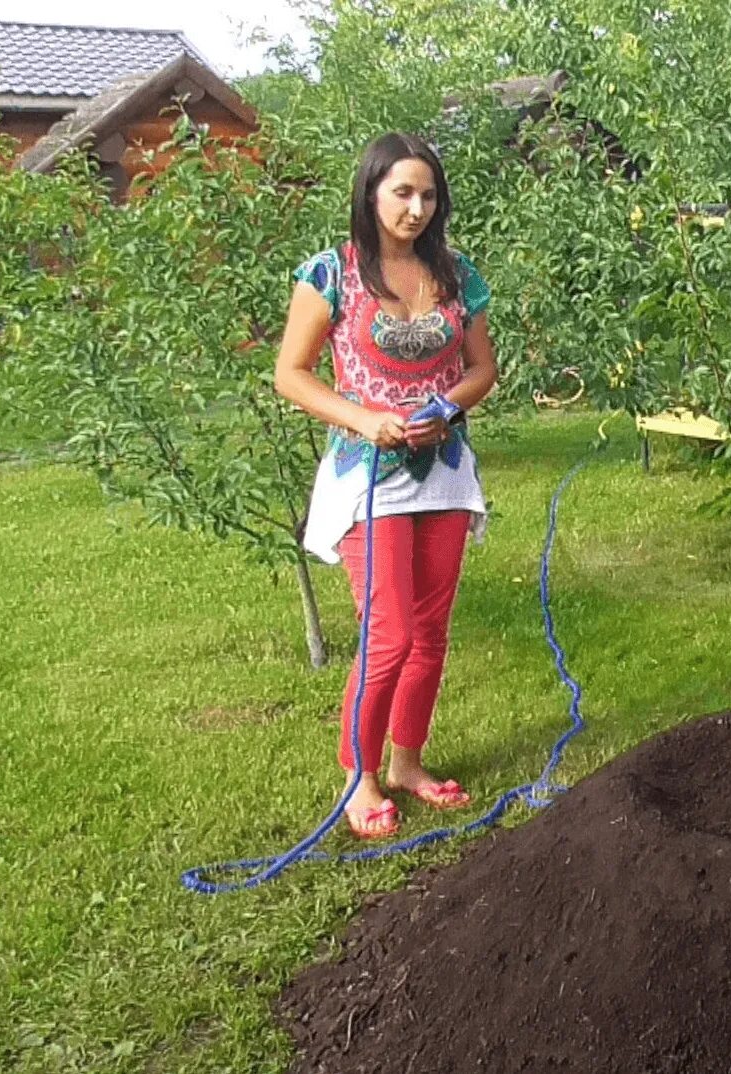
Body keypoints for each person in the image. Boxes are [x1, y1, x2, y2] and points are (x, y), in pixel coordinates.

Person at [274, 132, 498, 839]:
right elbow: (291, 374)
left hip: (444, 472)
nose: (416, 207)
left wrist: (448, 408)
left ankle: (407, 763)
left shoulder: (458, 274)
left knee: (429, 633)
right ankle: (359, 776)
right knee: (389, 634)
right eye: (402, 192)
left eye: (428, 194)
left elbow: (481, 369)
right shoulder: (330, 275)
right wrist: (364, 418)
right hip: (366, 477)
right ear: (370, 192)